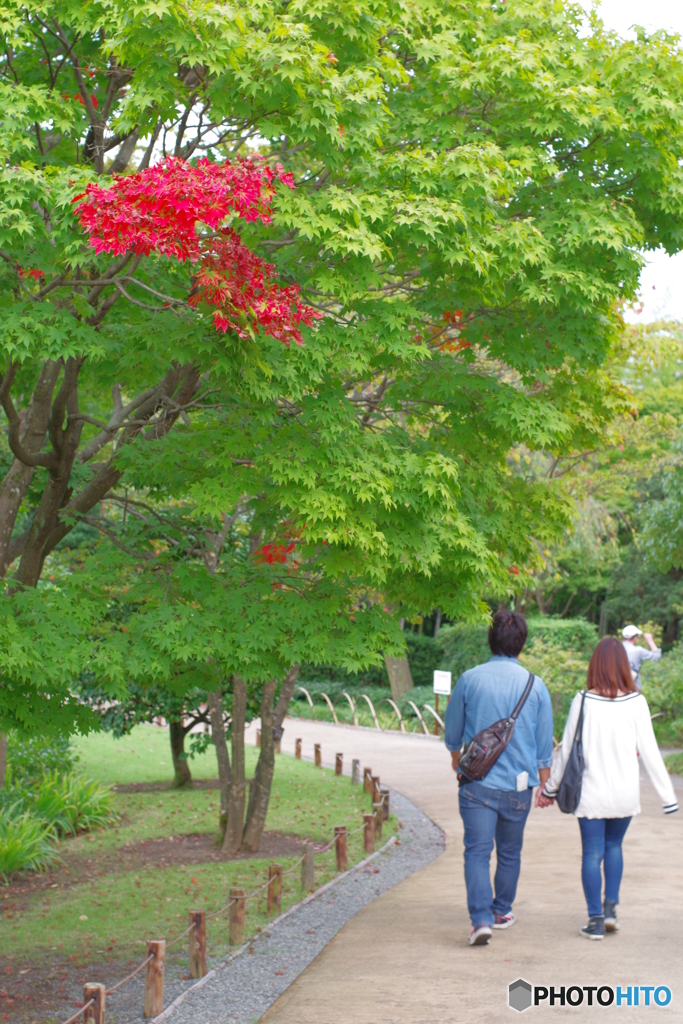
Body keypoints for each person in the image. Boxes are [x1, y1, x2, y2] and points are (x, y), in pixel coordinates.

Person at [539, 637, 677, 940]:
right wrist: (669, 799)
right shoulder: (637, 702)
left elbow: (565, 751)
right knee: (614, 847)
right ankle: (611, 908)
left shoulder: (583, 700)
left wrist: (549, 790)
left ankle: (596, 920)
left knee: (592, 854)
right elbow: (651, 752)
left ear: (595, 665)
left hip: (591, 794)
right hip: (625, 793)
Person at [445, 610, 554, 946]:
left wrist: (458, 763)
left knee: (476, 851)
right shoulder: (536, 687)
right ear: (521, 644)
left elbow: (452, 735)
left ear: (490, 640)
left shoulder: (470, 678)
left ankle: (480, 920)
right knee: (509, 852)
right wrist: (545, 786)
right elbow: (543, 746)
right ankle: (501, 911)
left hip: (476, 783)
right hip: (518, 788)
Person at [621, 624, 661, 691]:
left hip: (618, 687)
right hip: (634, 688)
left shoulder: (616, 648)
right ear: (635, 637)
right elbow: (656, 656)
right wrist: (650, 640)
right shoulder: (638, 650)